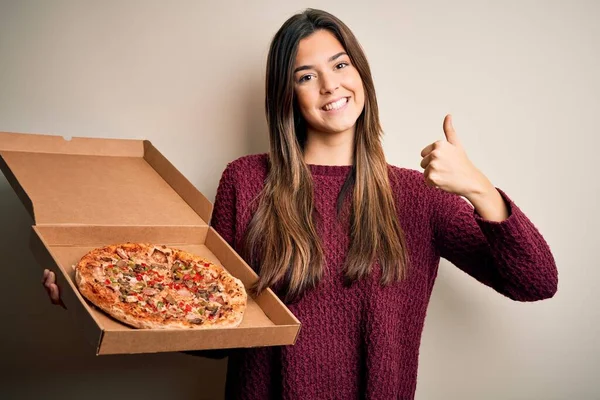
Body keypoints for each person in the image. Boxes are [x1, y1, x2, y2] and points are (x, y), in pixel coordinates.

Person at [42, 8, 558, 400]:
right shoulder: (245, 181)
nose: (330, 84)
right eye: (306, 75)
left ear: (361, 75)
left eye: (339, 64)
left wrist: (480, 190)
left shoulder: (419, 196)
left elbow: (536, 283)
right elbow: (221, 332)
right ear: (287, 94)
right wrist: (88, 298)